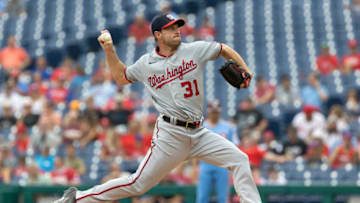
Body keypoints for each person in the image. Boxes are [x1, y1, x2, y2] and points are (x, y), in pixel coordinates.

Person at [55, 14, 261, 203]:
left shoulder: (194, 49)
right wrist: (109, 50)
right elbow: (121, 77)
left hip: (199, 132)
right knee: (137, 184)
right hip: (171, 135)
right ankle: (78, 198)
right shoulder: (146, 63)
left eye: (178, 26)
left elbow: (223, 49)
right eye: (171, 28)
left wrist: (246, 70)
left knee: (239, 159)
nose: (177, 30)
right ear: (158, 35)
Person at [195, 100, 238, 203]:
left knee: (223, 198)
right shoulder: (201, 126)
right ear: (208, 112)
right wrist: (195, 166)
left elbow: (233, 147)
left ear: (220, 112)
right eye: (212, 111)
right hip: (205, 164)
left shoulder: (228, 127)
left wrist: (232, 166)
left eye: (216, 111)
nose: (214, 114)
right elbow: (195, 147)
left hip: (222, 165)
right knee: (201, 197)